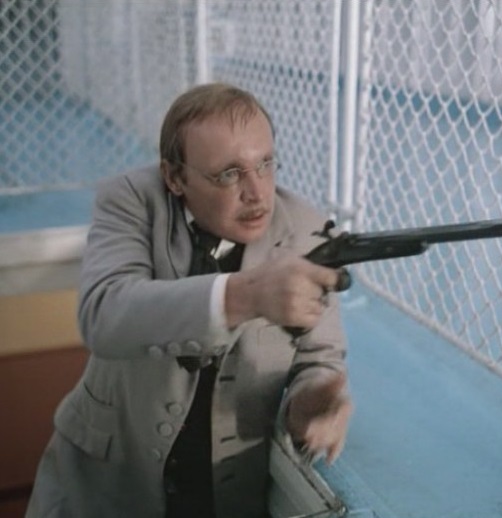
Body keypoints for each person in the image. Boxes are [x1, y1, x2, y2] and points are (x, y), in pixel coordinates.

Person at [26, 82, 352, 518]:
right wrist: (245, 295)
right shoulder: (131, 200)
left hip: (222, 498)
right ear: (175, 178)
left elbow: (319, 358)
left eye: (266, 164)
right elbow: (104, 313)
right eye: (229, 174)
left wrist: (312, 404)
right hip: (104, 488)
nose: (258, 193)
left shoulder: (308, 231)